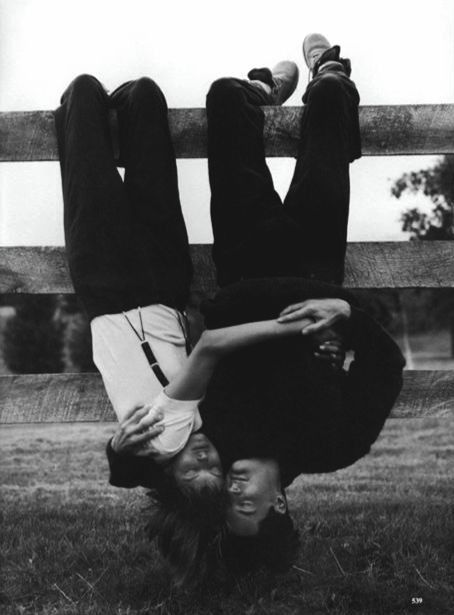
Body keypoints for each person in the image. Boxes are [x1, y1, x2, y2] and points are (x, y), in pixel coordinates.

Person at [53, 73, 329, 585]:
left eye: (192, 473)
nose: (206, 462)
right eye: (215, 473)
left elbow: (204, 360)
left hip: (111, 285)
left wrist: (121, 453)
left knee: (86, 119)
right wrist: (118, 455)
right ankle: (114, 103)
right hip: (164, 284)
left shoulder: (167, 437)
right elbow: (136, 472)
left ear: (170, 480)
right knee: (145, 103)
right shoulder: (200, 436)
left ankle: (87, 103)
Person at [199, 33, 405, 571]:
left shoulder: (215, 439)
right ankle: (327, 73)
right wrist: (349, 318)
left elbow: (203, 344)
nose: (233, 490)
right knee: (333, 109)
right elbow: (387, 366)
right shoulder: (334, 444)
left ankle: (261, 92)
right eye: (246, 504)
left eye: (227, 501)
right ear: (282, 503)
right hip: (316, 266)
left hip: (243, 261)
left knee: (224, 97)